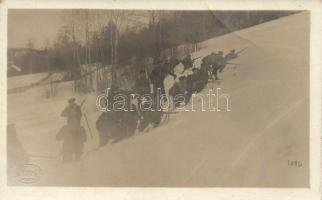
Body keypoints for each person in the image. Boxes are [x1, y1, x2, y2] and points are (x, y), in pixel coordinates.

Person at [57, 98, 86, 162]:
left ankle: (77, 156)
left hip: (76, 124)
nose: (71, 103)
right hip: (71, 125)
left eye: (72, 102)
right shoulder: (68, 108)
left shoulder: (77, 108)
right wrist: (68, 111)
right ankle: (67, 158)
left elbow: (80, 115)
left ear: (74, 102)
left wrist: (75, 115)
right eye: (70, 103)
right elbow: (62, 114)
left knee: (77, 143)